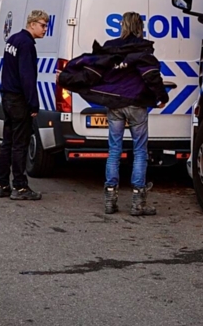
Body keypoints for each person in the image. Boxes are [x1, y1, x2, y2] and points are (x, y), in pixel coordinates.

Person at [58, 12, 169, 216]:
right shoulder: (142, 49)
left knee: (114, 149)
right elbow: (151, 76)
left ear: (122, 26)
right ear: (140, 27)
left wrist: (67, 78)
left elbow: (94, 71)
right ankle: (138, 202)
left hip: (114, 105)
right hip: (136, 105)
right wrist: (162, 97)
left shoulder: (110, 48)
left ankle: (110, 199)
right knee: (140, 151)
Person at [0, 10, 48, 201]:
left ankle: (1, 184)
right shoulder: (26, 44)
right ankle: (20, 186)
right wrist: (33, 104)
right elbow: (27, 76)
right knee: (20, 144)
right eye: (42, 25)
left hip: (8, 96)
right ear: (32, 24)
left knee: (7, 142)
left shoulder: (13, 40)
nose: (45, 29)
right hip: (19, 99)